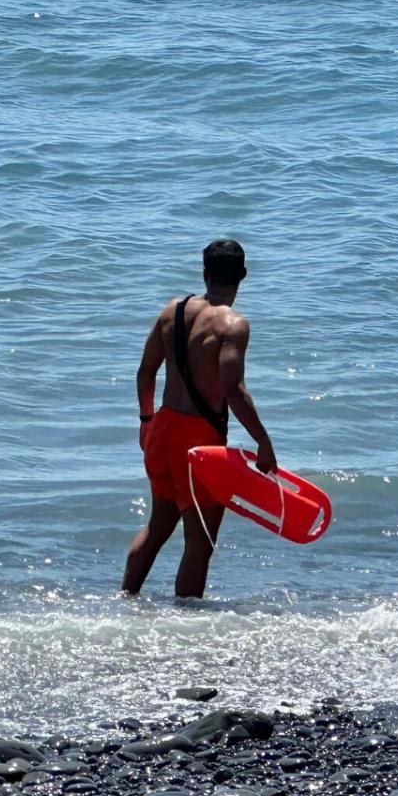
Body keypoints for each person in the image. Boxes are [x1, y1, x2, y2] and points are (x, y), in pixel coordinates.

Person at [122, 239, 276, 598]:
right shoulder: (233, 325)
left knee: (157, 528)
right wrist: (263, 442)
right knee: (200, 542)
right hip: (198, 441)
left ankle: (126, 600)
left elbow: (145, 374)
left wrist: (146, 422)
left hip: (162, 431)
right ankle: (187, 623)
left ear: (205, 273)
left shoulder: (172, 310)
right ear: (243, 275)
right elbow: (234, 390)